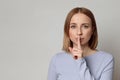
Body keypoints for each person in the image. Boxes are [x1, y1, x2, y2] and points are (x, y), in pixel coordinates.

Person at [47, 7, 114, 80]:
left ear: (92, 30)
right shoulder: (57, 60)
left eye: (85, 26)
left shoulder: (106, 59)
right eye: (73, 26)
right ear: (67, 30)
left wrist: (80, 61)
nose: (79, 32)